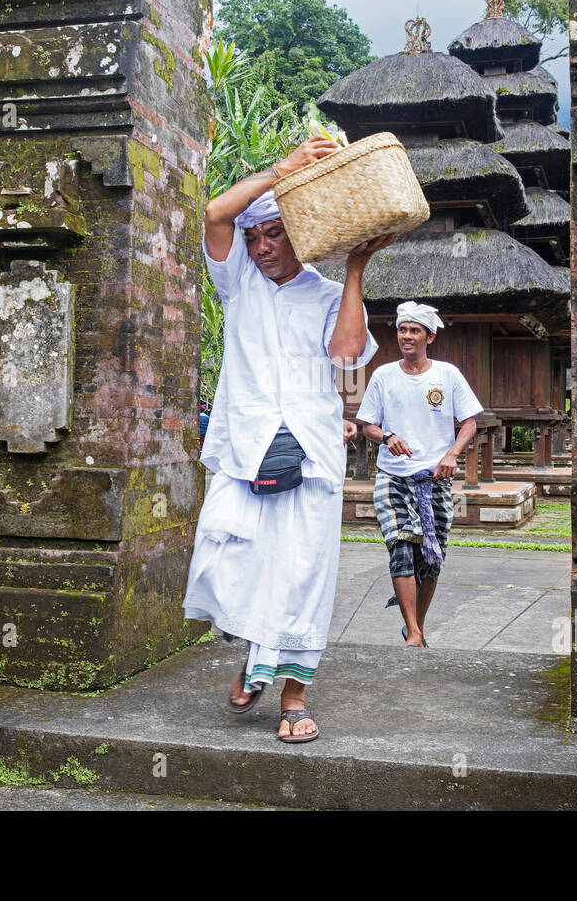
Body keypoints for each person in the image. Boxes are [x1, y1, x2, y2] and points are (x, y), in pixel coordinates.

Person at [183, 135, 396, 743]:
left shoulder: (328, 295)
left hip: (311, 448)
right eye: (254, 237)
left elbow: (348, 356)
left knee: (302, 569)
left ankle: (294, 695)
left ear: (300, 233)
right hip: (244, 444)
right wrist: (281, 170)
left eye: (273, 233)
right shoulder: (238, 284)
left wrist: (355, 268)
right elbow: (215, 213)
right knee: (232, 558)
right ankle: (255, 658)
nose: (260, 246)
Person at [356, 301, 482, 648]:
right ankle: (412, 631)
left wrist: (452, 454)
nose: (406, 336)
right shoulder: (383, 375)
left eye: (414, 330)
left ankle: (418, 626)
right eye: (402, 330)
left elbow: (470, 422)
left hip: (435, 480)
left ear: (430, 336)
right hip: (393, 476)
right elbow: (367, 425)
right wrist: (388, 437)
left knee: (431, 557)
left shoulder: (447, 375)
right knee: (400, 547)